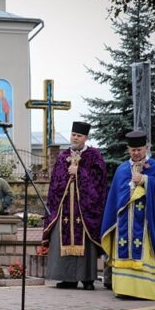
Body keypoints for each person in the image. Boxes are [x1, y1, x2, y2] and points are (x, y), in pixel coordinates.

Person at [101, 130, 155, 300]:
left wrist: (146, 180)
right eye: (133, 150)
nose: (136, 152)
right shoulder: (122, 169)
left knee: (144, 252)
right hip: (124, 223)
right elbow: (114, 198)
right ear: (128, 149)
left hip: (145, 222)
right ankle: (124, 289)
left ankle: (145, 291)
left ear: (146, 148)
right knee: (124, 250)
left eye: (139, 149)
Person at [42, 121, 107, 290]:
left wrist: (80, 172)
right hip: (64, 209)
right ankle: (67, 278)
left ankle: (87, 279)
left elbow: (98, 183)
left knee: (86, 243)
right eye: (73, 135)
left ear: (86, 137)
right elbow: (55, 184)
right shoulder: (63, 157)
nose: (75, 138)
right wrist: (67, 175)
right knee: (61, 238)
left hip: (85, 209)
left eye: (79, 136)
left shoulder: (94, 156)